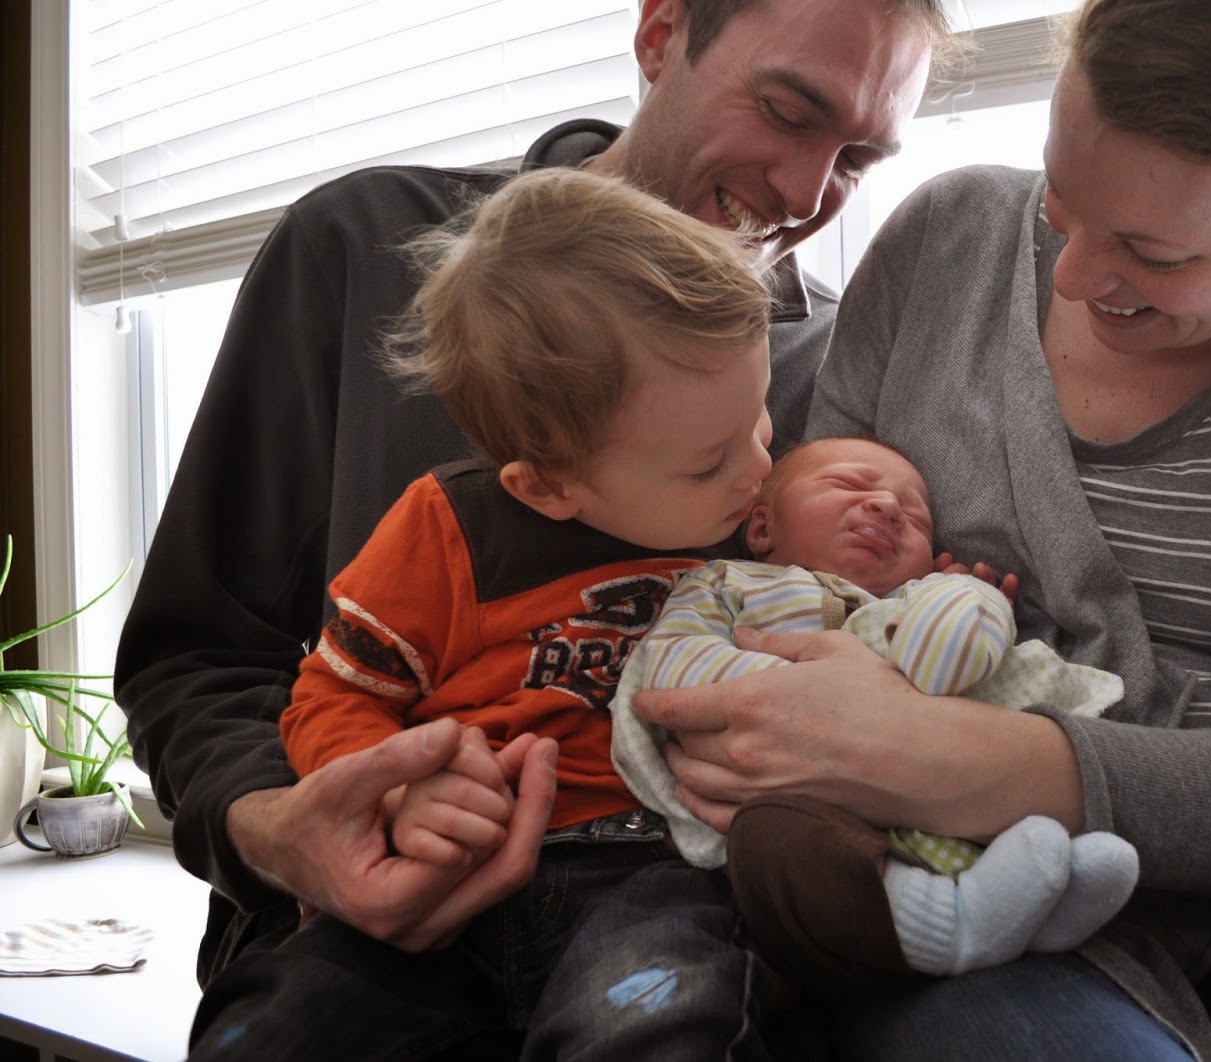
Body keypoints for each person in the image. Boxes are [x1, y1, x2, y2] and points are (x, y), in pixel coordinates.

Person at [626, 1, 1211, 1058]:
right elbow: (800, 568)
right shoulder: (943, 240)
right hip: (963, 871)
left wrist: (938, 753)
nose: (1074, 274)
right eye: (1061, 198)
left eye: (1151, 251)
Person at [113, 0, 942, 1049]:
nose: (808, 193)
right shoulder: (365, 247)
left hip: (658, 924)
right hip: (363, 942)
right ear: (661, 32)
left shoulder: (829, 369)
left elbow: (863, 652)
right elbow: (196, 659)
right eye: (786, 110)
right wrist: (284, 825)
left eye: (859, 158)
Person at [183, 165, 780, 1059]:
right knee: (274, 1022)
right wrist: (393, 792)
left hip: (653, 879)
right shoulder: (447, 531)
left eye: (760, 419)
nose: (759, 468)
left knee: (666, 1023)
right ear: (546, 488)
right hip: (446, 878)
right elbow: (331, 697)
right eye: (709, 462)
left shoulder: (753, 529)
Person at [610, 436, 1139, 989]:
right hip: (787, 793)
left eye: (917, 518)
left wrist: (965, 602)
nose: (888, 506)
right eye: (849, 484)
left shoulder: (910, 600)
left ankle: (1026, 897)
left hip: (946, 784)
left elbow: (950, 665)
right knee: (777, 842)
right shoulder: (726, 584)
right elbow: (673, 663)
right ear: (762, 528)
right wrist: (799, 699)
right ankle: (947, 917)